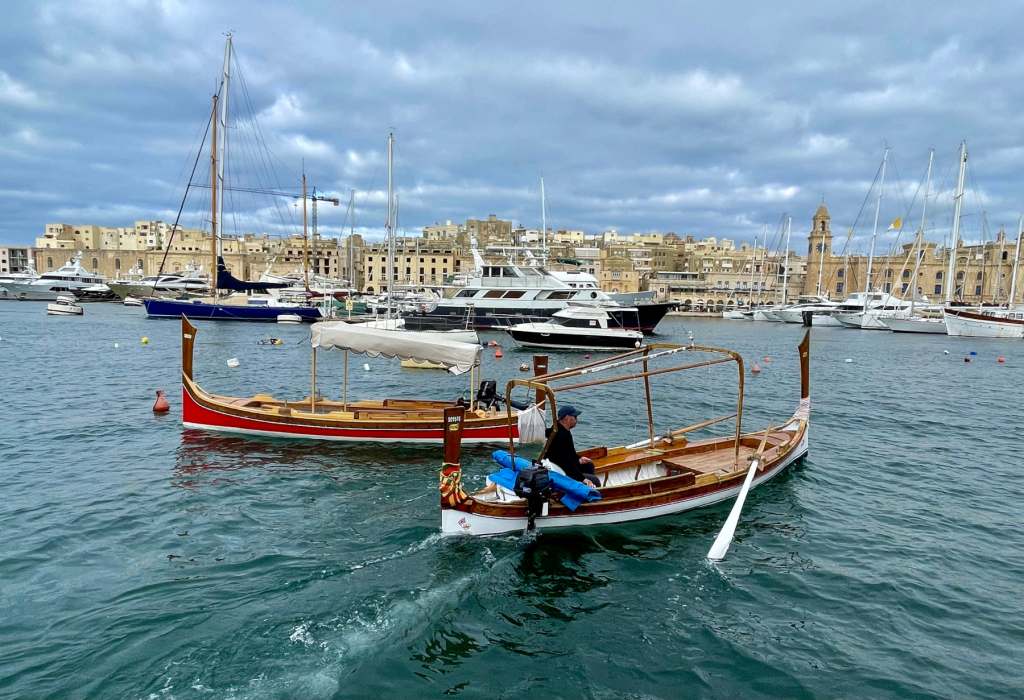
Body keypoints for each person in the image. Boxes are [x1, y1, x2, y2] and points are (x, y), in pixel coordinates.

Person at [543, 405, 600, 488]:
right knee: (595, 480)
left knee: (588, 465)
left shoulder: (559, 430)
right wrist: (583, 479)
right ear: (567, 418)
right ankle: (588, 490)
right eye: (575, 417)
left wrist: (578, 459)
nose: (577, 419)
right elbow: (566, 464)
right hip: (560, 470)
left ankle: (585, 488)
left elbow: (568, 454)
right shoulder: (561, 436)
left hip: (561, 465)